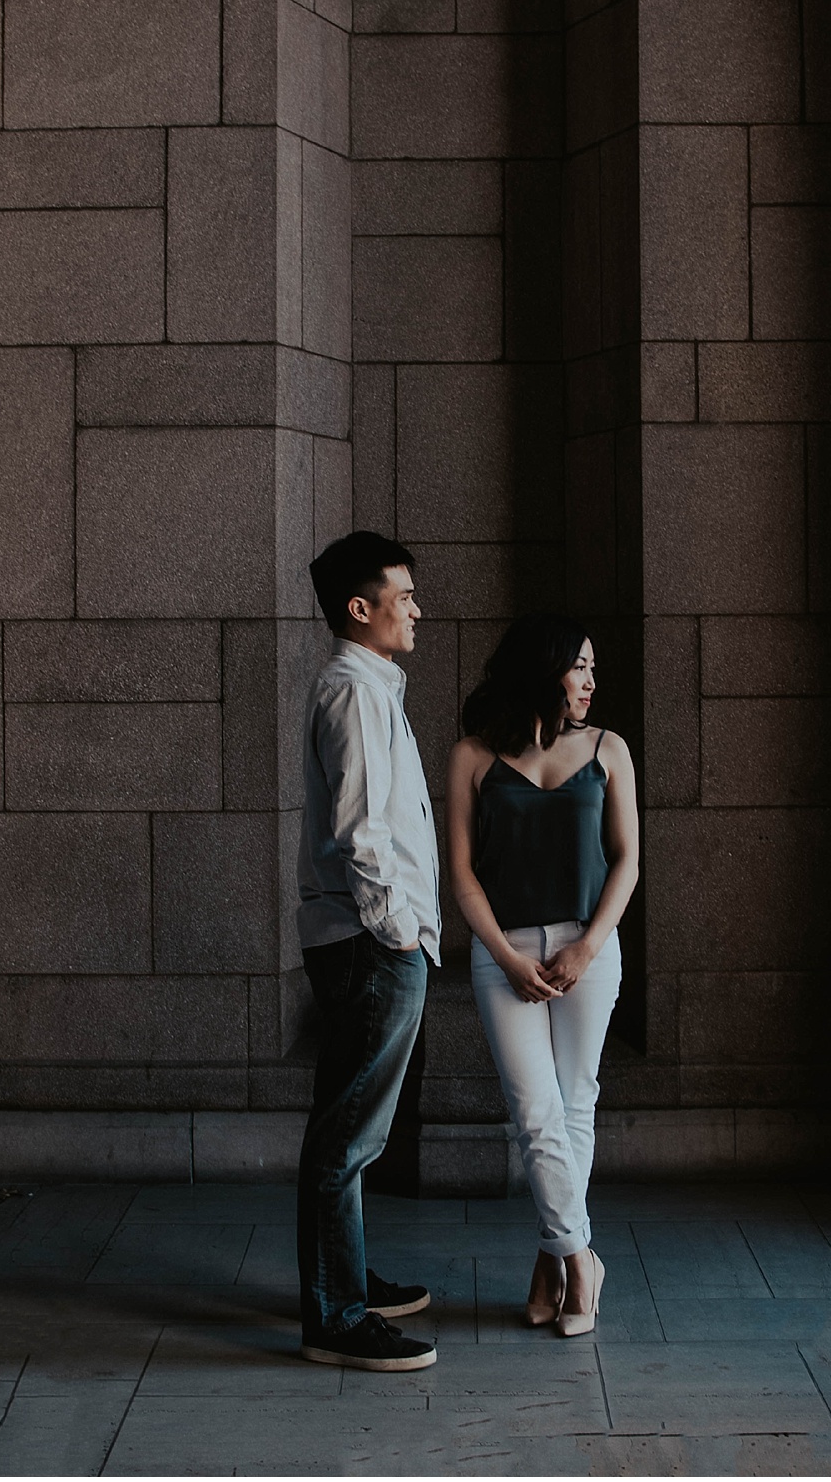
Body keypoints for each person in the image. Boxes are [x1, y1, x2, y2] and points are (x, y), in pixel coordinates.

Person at [444, 614, 639, 1338]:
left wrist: (588, 947)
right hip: (507, 954)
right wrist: (505, 954)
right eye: (579, 666)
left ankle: (550, 1258)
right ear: (543, 667)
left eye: (594, 667)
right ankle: (583, 1257)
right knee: (535, 1111)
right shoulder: (470, 755)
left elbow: (627, 861)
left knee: (574, 1103)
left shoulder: (609, 749)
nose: (591, 680)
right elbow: (461, 872)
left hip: (590, 949)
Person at [292, 531, 440, 1372]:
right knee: (347, 1133)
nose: (416, 607)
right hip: (369, 943)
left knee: (344, 1125)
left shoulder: (369, 686)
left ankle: (338, 1282)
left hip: (366, 941)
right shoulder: (353, 691)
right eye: (404, 594)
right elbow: (362, 832)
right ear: (362, 607)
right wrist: (400, 934)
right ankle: (336, 1315)